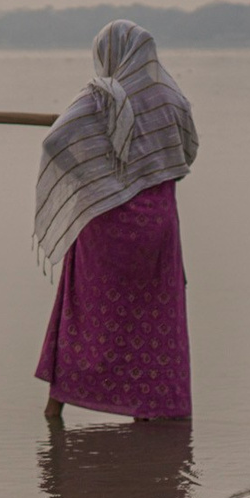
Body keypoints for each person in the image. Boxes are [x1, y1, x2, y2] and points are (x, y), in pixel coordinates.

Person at [34, 21, 198, 424]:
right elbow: (188, 151)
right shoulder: (171, 97)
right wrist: (147, 170)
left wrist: (100, 178)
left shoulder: (102, 97)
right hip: (158, 222)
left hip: (106, 223)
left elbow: (55, 141)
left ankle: (57, 407)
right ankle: (155, 412)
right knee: (155, 316)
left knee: (88, 313)